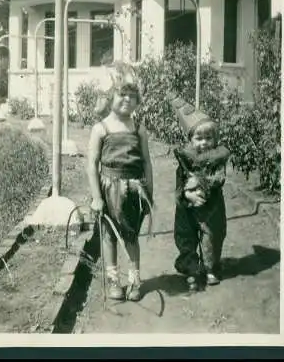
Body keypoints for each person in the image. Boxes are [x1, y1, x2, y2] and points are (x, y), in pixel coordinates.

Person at [87, 62, 154, 302]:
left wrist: (149, 193)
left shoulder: (139, 129)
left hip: (133, 188)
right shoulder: (100, 128)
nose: (127, 99)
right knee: (109, 235)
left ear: (138, 99)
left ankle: (134, 280)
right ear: (109, 96)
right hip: (108, 188)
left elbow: (146, 162)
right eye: (121, 94)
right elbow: (91, 164)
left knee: (131, 236)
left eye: (132, 95)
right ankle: (114, 280)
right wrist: (96, 197)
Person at [168, 93, 230, 293]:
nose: (204, 142)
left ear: (214, 139)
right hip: (187, 207)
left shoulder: (217, 159)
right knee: (186, 237)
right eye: (199, 138)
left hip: (211, 207)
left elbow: (219, 178)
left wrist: (200, 181)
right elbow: (179, 185)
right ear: (191, 139)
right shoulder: (184, 160)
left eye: (208, 138)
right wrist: (186, 194)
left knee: (212, 236)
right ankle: (192, 268)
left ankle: (211, 267)